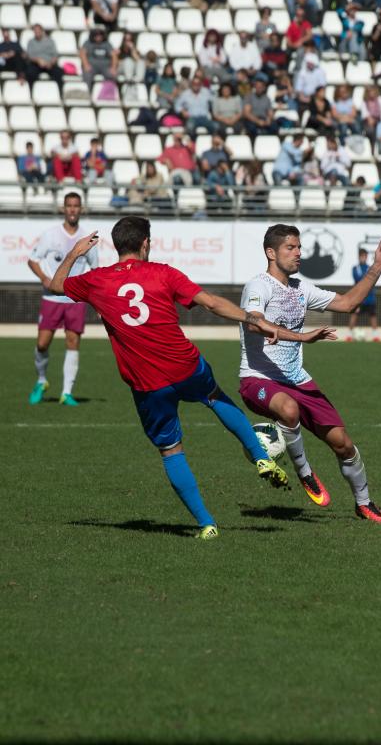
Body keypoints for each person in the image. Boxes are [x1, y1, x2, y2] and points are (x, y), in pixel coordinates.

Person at [47, 216, 331, 538]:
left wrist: (74, 253)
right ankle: (260, 456)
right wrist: (256, 320)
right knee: (215, 397)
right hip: (185, 365)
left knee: (171, 451)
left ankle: (206, 523)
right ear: (145, 244)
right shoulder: (163, 273)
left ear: (117, 245)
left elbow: (55, 285)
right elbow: (211, 303)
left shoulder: (96, 280)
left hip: (146, 382)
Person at [239, 223, 381, 523]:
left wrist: (377, 268)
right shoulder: (258, 285)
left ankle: (364, 503)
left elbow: (349, 304)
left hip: (297, 380)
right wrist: (300, 337)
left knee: (344, 444)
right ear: (270, 253)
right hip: (257, 379)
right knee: (288, 408)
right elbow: (252, 321)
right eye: (291, 247)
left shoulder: (302, 289)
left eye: (299, 247)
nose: (298, 253)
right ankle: (305, 472)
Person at [27, 193, 98, 407]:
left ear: (81, 209)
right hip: (51, 298)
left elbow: (95, 270)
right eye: (69, 206)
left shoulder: (87, 237)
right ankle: (41, 380)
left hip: (75, 300)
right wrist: (44, 278)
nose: (73, 209)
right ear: (63, 209)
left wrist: (95, 299)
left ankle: (66, 393)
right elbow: (32, 260)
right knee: (42, 344)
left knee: (73, 342)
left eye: (76, 206)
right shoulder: (50, 235)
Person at [346, 248, 380, 342]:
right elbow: (358, 279)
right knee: (354, 315)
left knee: (373, 316)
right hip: (359, 298)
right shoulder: (355, 268)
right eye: (361, 256)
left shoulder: (370, 268)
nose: (363, 258)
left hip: (370, 297)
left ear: (366, 257)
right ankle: (349, 335)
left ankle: (375, 336)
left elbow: (372, 279)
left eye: (364, 256)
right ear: (359, 257)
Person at [26, 25, 63, 90]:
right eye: (35, 31)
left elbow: (55, 55)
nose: (36, 32)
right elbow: (29, 56)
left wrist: (50, 63)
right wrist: (38, 60)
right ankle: (32, 91)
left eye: (38, 31)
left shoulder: (50, 41)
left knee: (58, 72)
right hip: (36, 64)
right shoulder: (31, 42)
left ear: (42, 31)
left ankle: (59, 91)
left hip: (49, 64)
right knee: (30, 73)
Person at [242, 74, 277, 139]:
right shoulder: (249, 97)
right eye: (257, 87)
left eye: (260, 87)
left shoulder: (267, 98)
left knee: (274, 127)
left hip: (263, 118)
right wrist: (257, 121)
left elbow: (270, 112)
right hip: (252, 119)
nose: (258, 89)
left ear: (264, 88)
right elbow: (246, 113)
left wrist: (269, 119)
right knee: (252, 128)